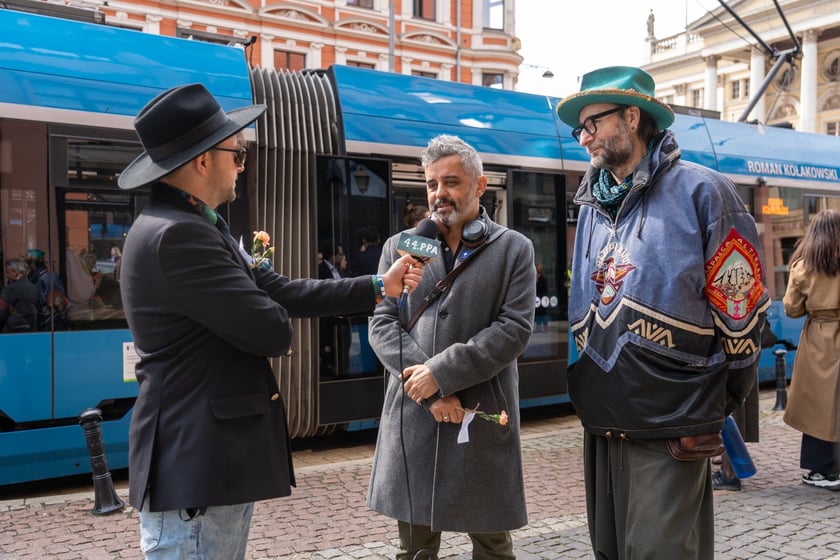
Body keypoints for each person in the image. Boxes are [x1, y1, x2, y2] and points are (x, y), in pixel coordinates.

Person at [116, 83, 424, 559]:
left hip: (205, 463)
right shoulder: (180, 236)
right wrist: (259, 301)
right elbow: (272, 327)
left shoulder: (193, 224)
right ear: (202, 161)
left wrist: (379, 286)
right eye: (237, 155)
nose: (243, 165)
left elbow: (278, 290)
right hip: (199, 465)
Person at [557, 66, 769, 559]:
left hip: (673, 418)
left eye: (593, 123)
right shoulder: (590, 206)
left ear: (632, 118)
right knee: (610, 550)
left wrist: (713, 406)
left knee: (660, 553)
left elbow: (739, 313)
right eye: (580, 128)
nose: (584, 137)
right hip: (604, 416)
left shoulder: (705, 191)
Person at [367, 134, 536, 559]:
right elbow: (382, 323)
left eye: (452, 182)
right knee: (415, 549)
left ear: (480, 186)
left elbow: (514, 329)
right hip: (414, 414)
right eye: (431, 185)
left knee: (493, 546)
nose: (439, 194)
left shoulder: (513, 248)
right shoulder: (402, 246)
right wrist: (430, 388)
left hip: (479, 415)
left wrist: (440, 376)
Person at [782, 208, 840, 491]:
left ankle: (825, 470)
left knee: (819, 405)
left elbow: (792, 309)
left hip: (820, 337)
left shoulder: (804, 266)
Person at [24, 248, 69, 330]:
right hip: (39, 318)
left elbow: (58, 301)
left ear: (36, 263)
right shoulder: (32, 277)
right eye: (26, 262)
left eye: (29, 262)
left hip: (51, 320)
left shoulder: (49, 277)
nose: (26, 265)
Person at [0, 258, 38, 333]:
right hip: (32, 328)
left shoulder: (10, 289)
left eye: (8, 272)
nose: (6, 275)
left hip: (13, 329)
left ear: (15, 272)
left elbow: (1, 311)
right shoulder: (33, 287)